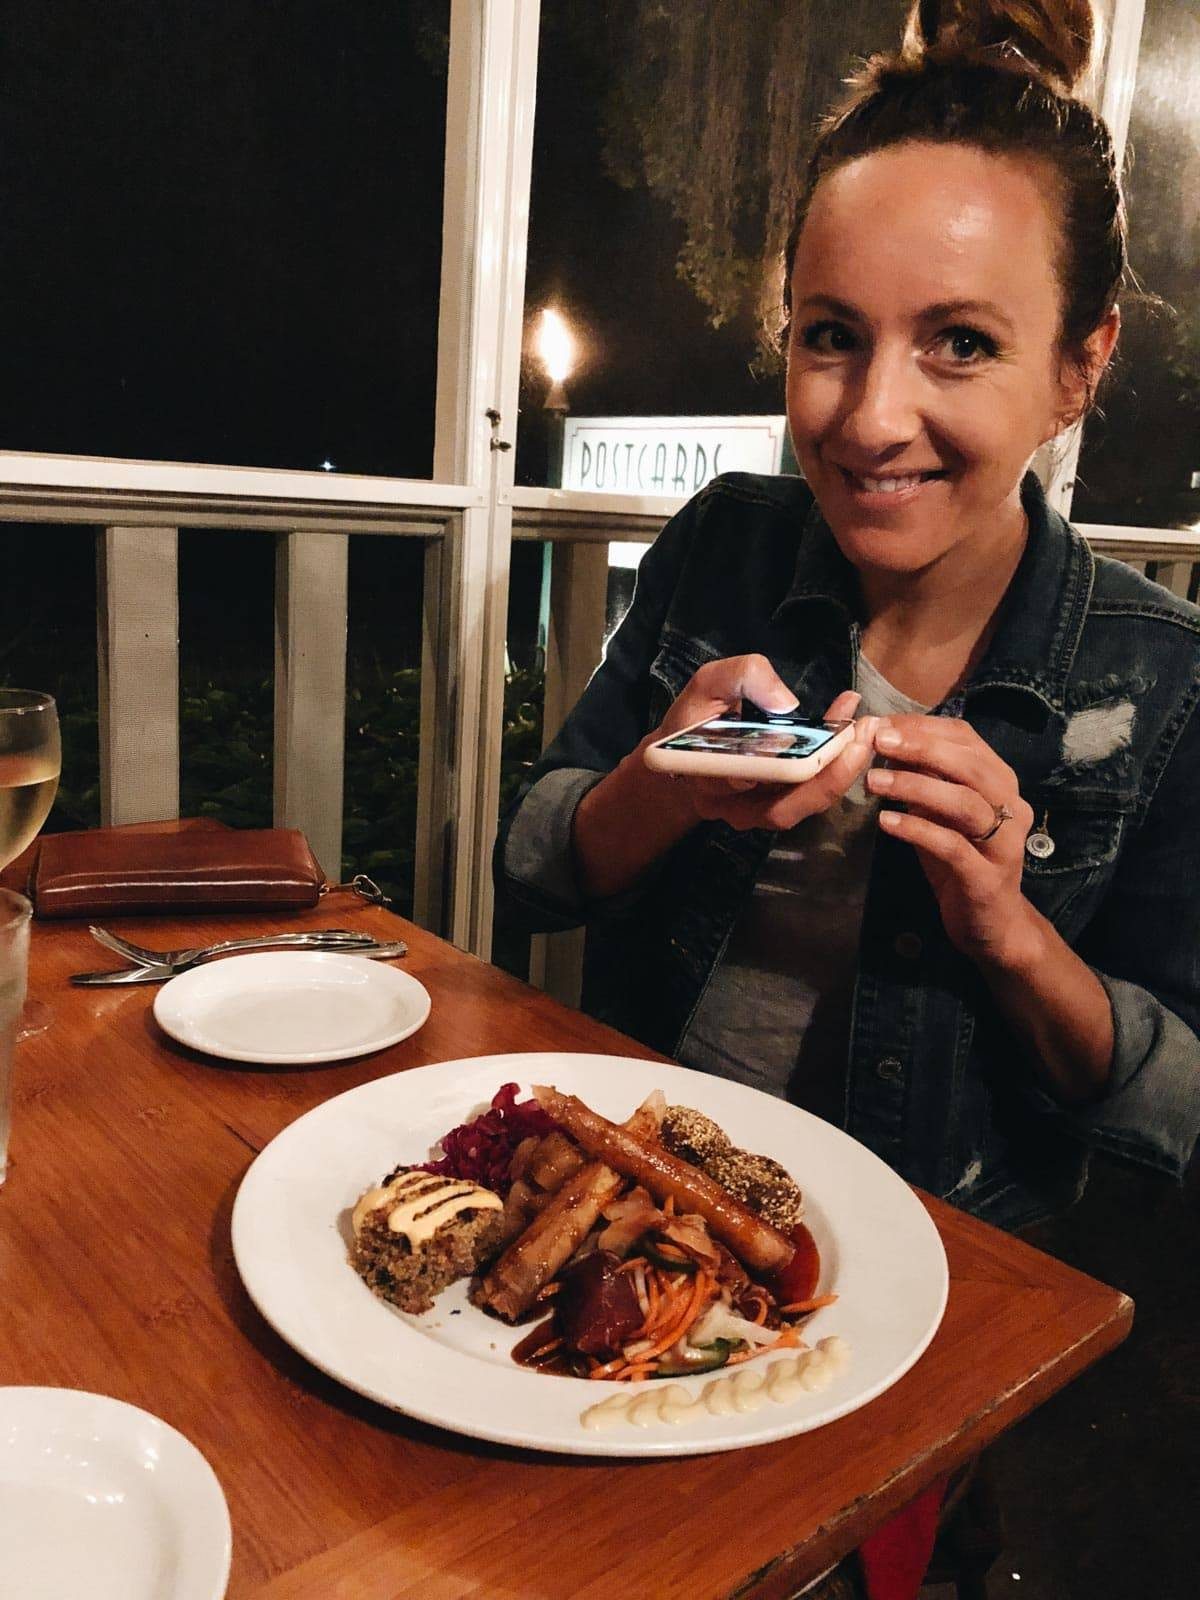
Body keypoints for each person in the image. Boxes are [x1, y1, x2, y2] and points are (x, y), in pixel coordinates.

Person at [496, 0, 1200, 1241]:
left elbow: (1174, 1107)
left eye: (962, 343)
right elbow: (536, 863)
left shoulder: (1161, 676)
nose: (871, 418)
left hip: (933, 1272)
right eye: (831, 336)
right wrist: (659, 784)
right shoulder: (727, 545)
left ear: (1080, 366)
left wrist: (1009, 932)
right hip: (628, 1205)